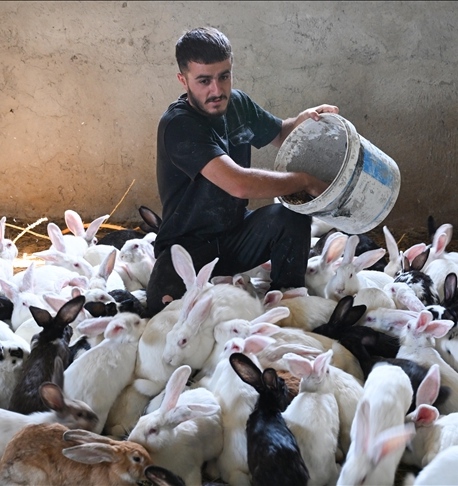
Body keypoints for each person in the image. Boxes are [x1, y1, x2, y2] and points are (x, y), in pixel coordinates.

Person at [145, 26, 338, 317]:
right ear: (183, 81)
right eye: (204, 80)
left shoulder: (238, 104)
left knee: (290, 217)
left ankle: (288, 304)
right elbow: (238, 185)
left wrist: (302, 122)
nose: (216, 90)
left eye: (224, 76)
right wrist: (304, 181)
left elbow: (281, 134)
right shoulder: (178, 125)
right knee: (165, 312)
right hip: (188, 248)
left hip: (235, 235)